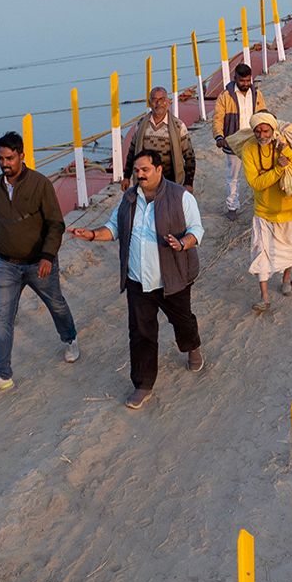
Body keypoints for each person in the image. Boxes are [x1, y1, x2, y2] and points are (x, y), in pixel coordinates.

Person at [76, 150, 203, 410]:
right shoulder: (129, 198)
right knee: (141, 333)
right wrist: (91, 235)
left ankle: (192, 347)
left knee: (183, 321)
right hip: (137, 280)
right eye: (137, 170)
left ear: (158, 170)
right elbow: (114, 228)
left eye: (145, 169)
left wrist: (181, 243)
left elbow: (196, 230)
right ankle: (143, 384)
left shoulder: (181, 197)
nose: (140, 175)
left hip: (172, 279)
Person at [0, 131, 78, 398]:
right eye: (0, 158)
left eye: (9, 158)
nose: (4, 164)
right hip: (6, 265)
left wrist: (47, 256)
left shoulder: (40, 184)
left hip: (38, 263)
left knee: (55, 304)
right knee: (2, 318)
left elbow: (56, 223)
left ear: (22, 156)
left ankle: (70, 339)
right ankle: (2, 375)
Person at [239, 111, 292, 312]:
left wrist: (288, 154)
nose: (261, 135)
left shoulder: (287, 143)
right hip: (263, 211)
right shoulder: (249, 148)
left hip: (290, 208)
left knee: (287, 246)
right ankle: (264, 297)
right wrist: (277, 169)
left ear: (273, 130)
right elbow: (256, 183)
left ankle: (286, 278)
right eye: (257, 131)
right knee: (261, 252)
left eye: (265, 130)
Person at [212, 63, 271, 220]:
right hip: (234, 142)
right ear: (235, 78)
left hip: (255, 139)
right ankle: (232, 207)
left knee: (261, 172)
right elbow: (218, 118)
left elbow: (264, 114)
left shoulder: (257, 94)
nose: (245, 84)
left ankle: (263, 205)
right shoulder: (225, 96)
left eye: (247, 80)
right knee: (234, 176)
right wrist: (219, 136)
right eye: (242, 81)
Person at [124, 86, 196, 189]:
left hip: (170, 182)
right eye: (154, 100)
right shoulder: (141, 125)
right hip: (146, 182)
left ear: (167, 101)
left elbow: (189, 157)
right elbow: (132, 152)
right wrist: (126, 176)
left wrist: (189, 183)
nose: (158, 103)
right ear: (149, 103)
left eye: (162, 99)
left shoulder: (178, 126)